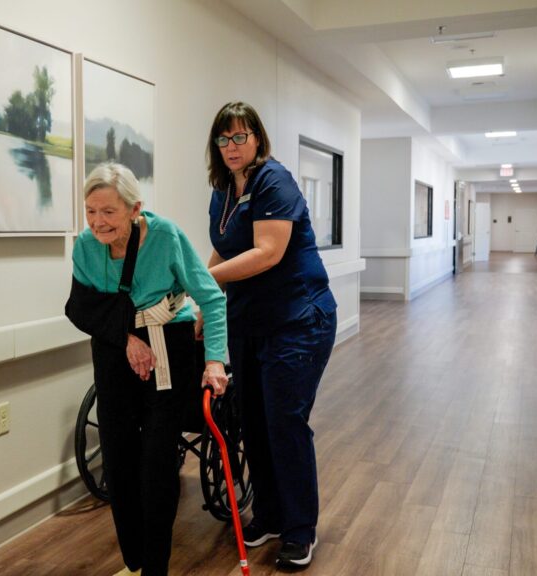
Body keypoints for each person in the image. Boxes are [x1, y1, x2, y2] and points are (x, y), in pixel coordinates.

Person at [66, 162, 229, 576]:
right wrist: (126, 339)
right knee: (118, 463)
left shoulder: (165, 237)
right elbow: (82, 308)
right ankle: (134, 559)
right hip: (113, 350)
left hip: (168, 348)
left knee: (157, 464)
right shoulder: (85, 246)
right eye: (90, 211)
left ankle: (156, 567)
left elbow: (211, 298)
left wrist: (214, 360)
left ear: (135, 208)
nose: (97, 223)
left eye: (108, 212)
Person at [203, 102, 337, 569]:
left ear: (257, 138)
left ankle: (300, 529)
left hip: (298, 319)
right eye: (223, 140)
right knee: (252, 422)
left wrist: (208, 284)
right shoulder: (222, 190)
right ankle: (271, 515)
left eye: (240, 137)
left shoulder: (273, 181)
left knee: (284, 421)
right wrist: (203, 296)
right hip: (249, 321)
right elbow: (222, 249)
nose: (232, 147)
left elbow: (267, 253)